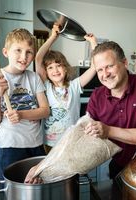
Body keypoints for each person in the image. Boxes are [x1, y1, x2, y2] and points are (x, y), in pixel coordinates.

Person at [83, 41, 136, 179]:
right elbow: (85, 134)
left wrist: (108, 130)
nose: (105, 74)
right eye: (99, 70)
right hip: (118, 165)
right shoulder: (96, 96)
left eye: (109, 66)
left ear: (125, 63)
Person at [0, 28, 50, 180]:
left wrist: (21, 114)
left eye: (29, 52)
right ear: (6, 52)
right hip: (8, 147)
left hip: (36, 145)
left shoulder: (34, 78)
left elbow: (45, 111)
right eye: (18, 50)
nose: (24, 57)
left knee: (36, 191)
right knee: (11, 192)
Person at [35, 24, 98, 153]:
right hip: (49, 143)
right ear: (46, 72)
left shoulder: (74, 85)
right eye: (50, 67)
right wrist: (53, 37)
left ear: (65, 68)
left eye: (58, 65)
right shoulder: (45, 86)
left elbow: (94, 67)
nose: (55, 70)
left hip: (72, 141)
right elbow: (38, 58)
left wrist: (93, 43)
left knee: (71, 172)